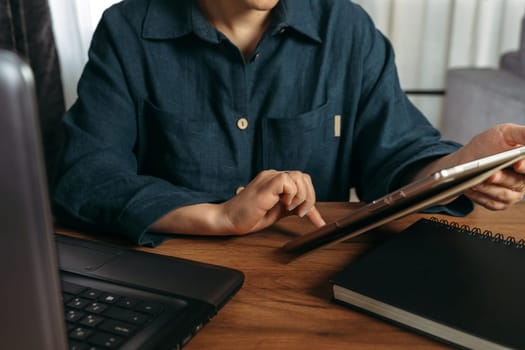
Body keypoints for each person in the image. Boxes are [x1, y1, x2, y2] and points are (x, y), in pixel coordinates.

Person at [52, 0, 525, 246]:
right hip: (170, 267)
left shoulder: (346, 29)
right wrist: (218, 216)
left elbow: (396, 153)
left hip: (312, 286)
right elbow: (85, 174)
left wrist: (461, 167)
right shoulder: (128, 29)